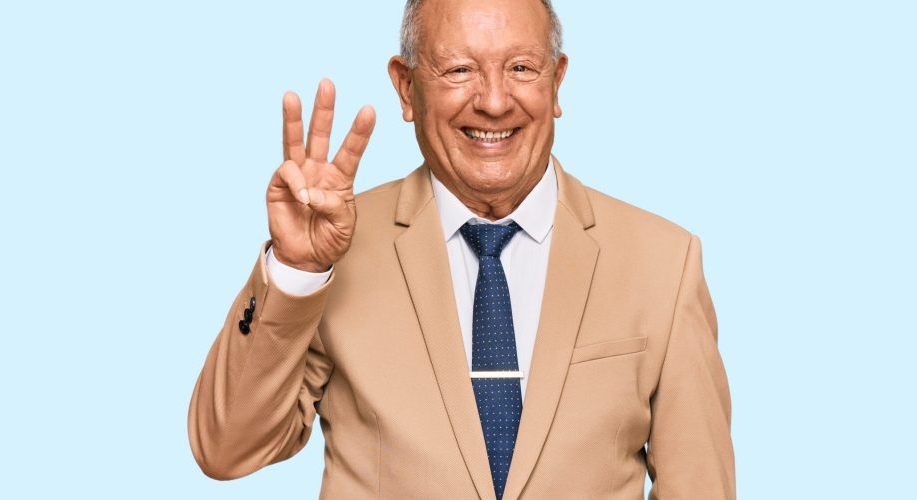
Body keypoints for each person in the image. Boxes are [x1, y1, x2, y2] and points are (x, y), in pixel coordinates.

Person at [187, 0, 735, 498]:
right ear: (405, 88)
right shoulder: (337, 249)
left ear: (558, 81)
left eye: (521, 68)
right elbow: (227, 449)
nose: (494, 102)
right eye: (459, 69)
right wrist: (297, 270)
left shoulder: (666, 262)